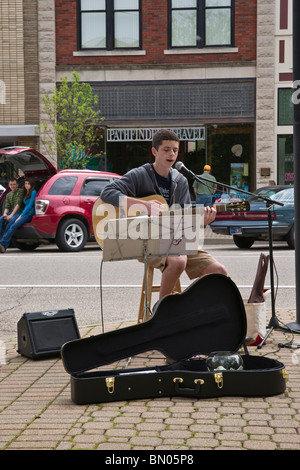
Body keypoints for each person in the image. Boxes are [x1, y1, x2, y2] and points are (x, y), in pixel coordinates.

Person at [100, 129, 227, 299]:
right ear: (154, 151)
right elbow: (107, 192)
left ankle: (193, 309)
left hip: (175, 238)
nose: (172, 154)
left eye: (175, 150)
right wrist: (143, 204)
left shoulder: (180, 180)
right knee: (178, 261)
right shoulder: (140, 175)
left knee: (219, 271)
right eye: (166, 149)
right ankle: (162, 312)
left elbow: (184, 218)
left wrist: (200, 221)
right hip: (147, 239)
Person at [0, 179, 37, 253]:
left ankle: (2, 243)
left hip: (29, 214)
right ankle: (3, 247)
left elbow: (29, 206)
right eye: (26, 183)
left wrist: (20, 216)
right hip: (24, 213)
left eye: (28, 184)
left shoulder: (33, 192)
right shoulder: (26, 193)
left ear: (31, 185)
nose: (26, 185)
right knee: (8, 225)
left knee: (13, 226)